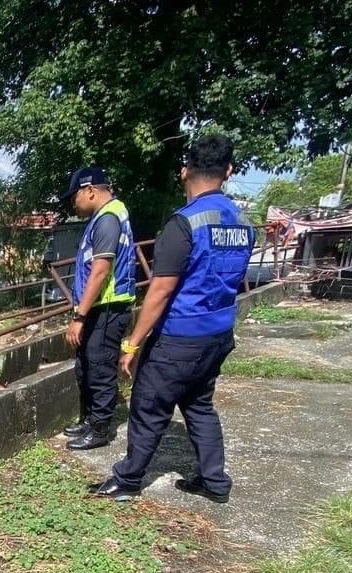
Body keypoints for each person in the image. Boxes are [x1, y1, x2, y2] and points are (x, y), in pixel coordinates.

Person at [93, 134, 255, 502]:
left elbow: (161, 291)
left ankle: (128, 479)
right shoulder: (244, 223)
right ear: (228, 171)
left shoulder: (185, 223)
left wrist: (133, 344)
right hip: (219, 333)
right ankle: (214, 481)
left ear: (184, 171)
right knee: (198, 404)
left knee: (148, 404)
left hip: (180, 336)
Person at [59, 166, 138, 451]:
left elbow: (100, 271)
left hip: (107, 308)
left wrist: (79, 316)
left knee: (100, 369)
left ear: (90, 190)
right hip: (97, 307)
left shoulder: (107, 219)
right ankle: (89, 420)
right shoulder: (102, 217)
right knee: (86, 367)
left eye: (75, 197)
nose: (74, 204)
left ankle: (100, 430)